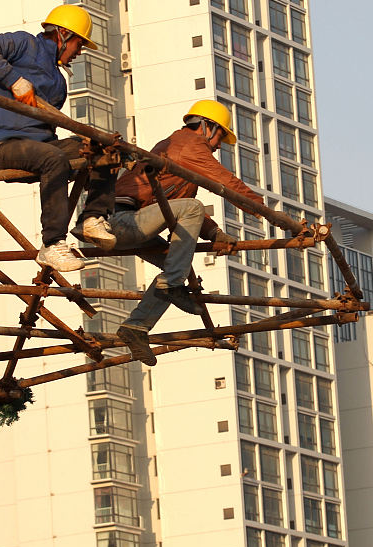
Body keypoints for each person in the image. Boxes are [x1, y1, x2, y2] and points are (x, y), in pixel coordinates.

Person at [112, 100, 262, 366]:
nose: (218, 146)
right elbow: (224, 182)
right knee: (176, 269)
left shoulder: (178, 149)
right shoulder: (189, 145)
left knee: (175, 263)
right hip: (121, 220)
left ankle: (136, 326)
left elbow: (175, 207)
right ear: (207, 126)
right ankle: (173, 284)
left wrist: (214, 232)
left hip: (137, 223)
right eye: (220, 137)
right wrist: (262, 209)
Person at [0, 4, 116, 274]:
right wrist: (14, 80)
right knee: (54, 157)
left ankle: (93, 217)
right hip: (5, 146)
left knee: (104, 149)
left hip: (42, 148)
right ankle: (52, 243)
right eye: (79, 44)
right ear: (63, 34)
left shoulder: (58, 81)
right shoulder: (24, 44)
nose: (79, 52)